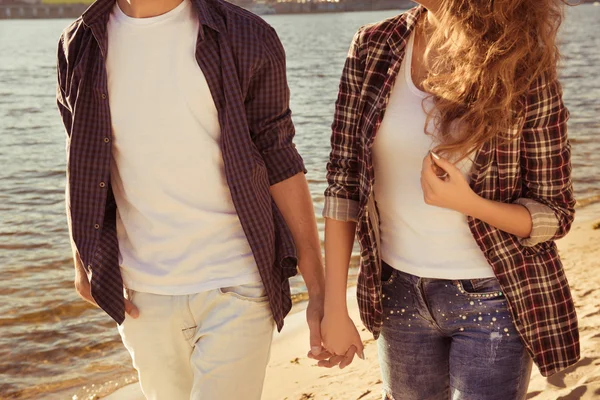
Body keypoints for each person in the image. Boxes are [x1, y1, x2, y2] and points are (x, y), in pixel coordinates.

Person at [55, 0, 326, 398]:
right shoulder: (79, 42)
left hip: (237, 281)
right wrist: (82, 261)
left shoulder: (245, 35)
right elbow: (80, 158)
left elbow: (280, 158)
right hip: (141, 292)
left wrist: (319, 290)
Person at [318, 0, 579, 399]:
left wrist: (469, 202)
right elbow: (342, 184)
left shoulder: (523, 61)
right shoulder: (374, 46)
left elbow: (556, 214)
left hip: (493, 297)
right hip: (396, 293)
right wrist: (333, 307)